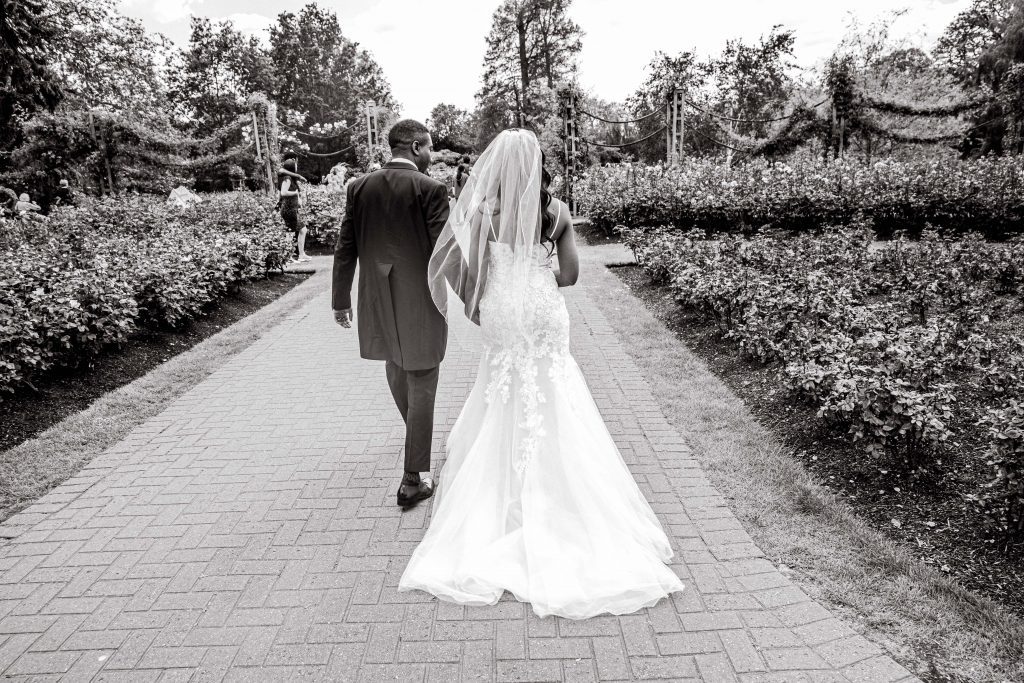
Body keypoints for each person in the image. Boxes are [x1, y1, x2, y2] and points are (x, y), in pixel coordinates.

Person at [398, 128, 685, 620]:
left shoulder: (483, 213)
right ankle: (569, 501)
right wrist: (536, 277)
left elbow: (462, 275)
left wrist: (488, 300)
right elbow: (570, 276)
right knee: (555, 391)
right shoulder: (558, 211)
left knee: (502, 392)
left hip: (506, 309)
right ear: (537, 165)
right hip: (545, 308)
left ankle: (503, 500)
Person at [332, 119, 450, 509]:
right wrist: (473, 294)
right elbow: (443, 252)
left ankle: (415, 437)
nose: (432, 155)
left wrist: (341, 299)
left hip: (375, 298)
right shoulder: (431, 189)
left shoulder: (358, 186)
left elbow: (345, 246)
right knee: (424, 376)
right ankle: (413, 479)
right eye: (430, 147)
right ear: (416, 147)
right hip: (419, 299)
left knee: (397, 366)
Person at [278, 158, 309, 262]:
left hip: (292, 209)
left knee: (303, 230)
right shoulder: (287, 178)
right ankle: (288, 257)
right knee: (290, 233)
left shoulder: (290, 178)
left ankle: (301, 255)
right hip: (288, 209)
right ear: (292, 167)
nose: (297, 167)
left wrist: (299, 201)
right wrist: (295, 193)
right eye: (295, 165)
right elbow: (283, 192)